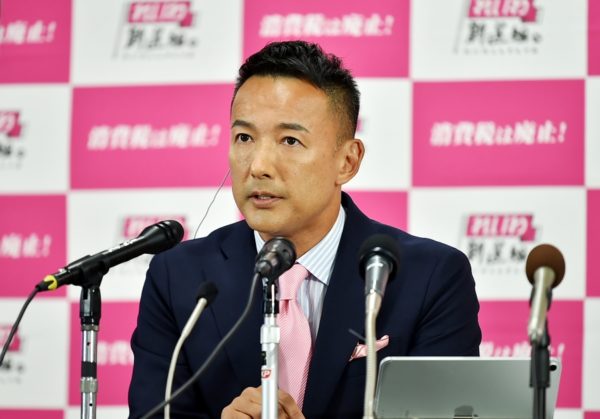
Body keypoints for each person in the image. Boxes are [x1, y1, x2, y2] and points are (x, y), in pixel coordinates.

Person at [128, 40, 481, 418]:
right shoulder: (180, 277)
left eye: (290, 140)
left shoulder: (429, 277)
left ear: (347, 161)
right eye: (244, 137)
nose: (259, 166)